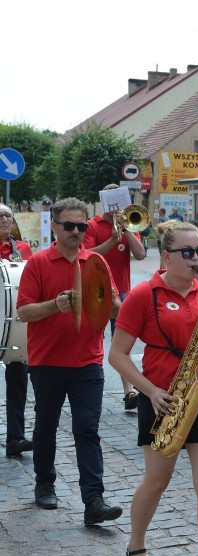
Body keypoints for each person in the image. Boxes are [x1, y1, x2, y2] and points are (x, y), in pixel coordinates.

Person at [108, 221, 198, 556]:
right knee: (157, 482)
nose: (197, 259)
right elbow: (116, 355)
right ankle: (136, 544)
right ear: (166, 256)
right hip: (164, 399)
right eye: (188, 252)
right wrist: (150, 392)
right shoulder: (143, 294)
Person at [16, 197, 123, 525]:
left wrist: (107, 303)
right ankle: (45, 482)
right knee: (46, 424)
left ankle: (94, 499)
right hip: (47, 361)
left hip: (88, 362)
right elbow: (23, 311)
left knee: (87, 428)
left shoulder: (95, 262)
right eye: (70, 226)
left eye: (83, 226)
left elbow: (116, 306)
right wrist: (55, 305)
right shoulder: (38, 262)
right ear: (55, 226)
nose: (77, 231)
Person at [82, 186, 147, 410]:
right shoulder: (92, 225)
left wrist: (125, 229)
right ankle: (92, 384)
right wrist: (112, 239)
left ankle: (128, 392)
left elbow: (140, 254)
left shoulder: (129, 222)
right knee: (95, 339)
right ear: (104, 201)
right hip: (96, 288)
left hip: (122, 290)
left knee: (123, 341)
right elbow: (88, 254)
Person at [0, 204, 33, 458]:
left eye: (6, 216)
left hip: (11, 328)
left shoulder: (22, 249)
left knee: (18, 382)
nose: (3, 219)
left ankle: (16, 438)